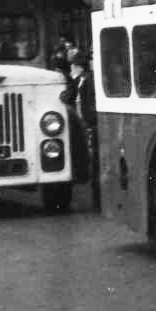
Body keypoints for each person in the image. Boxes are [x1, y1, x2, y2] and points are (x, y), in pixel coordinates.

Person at [62, 51, 98, 209]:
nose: (71, 70)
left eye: (72, 67)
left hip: (89, 124)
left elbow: (68, 97)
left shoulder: (85, 80)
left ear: (78, 67)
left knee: (94, 161)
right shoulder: (83, 79)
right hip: (87, 124)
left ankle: (97, 199)